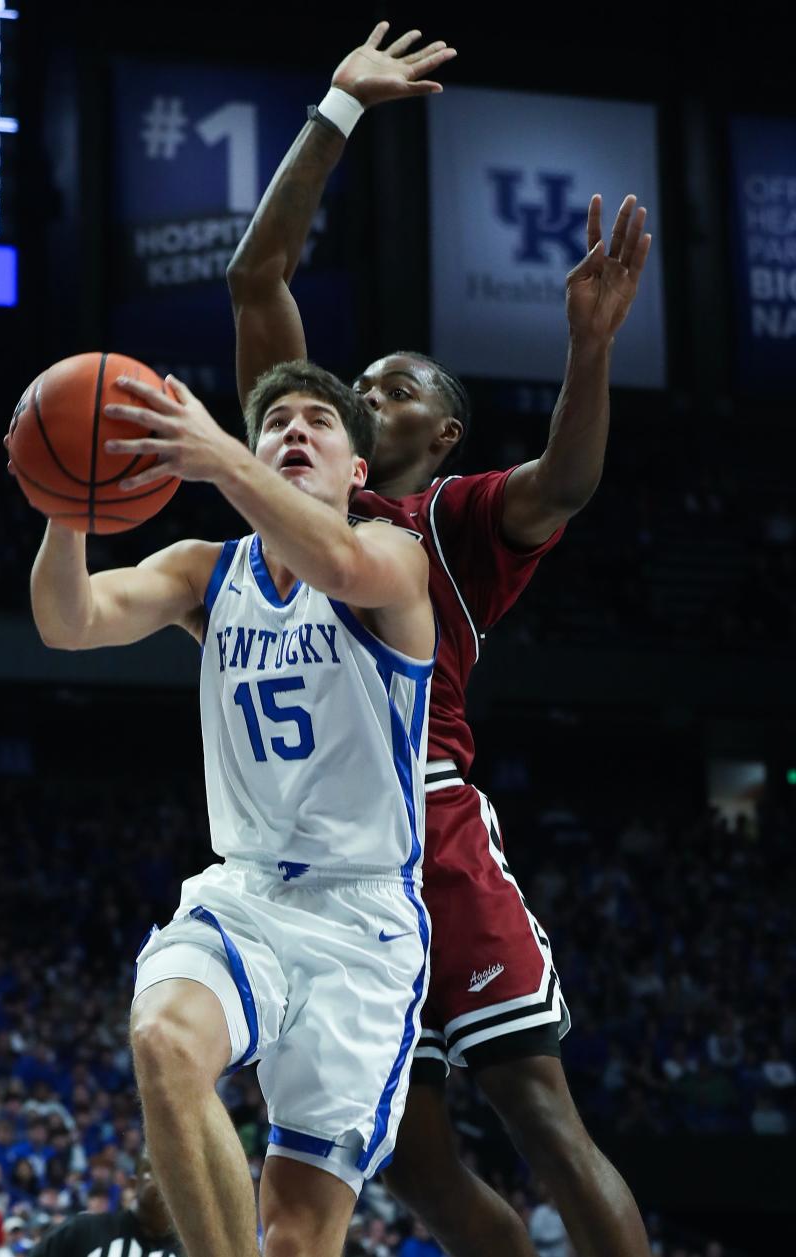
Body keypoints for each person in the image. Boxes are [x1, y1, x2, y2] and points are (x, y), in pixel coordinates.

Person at [225, 21, 654, 1257]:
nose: (369, 387)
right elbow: (259, 281)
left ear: (445, 433)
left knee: (539, 1111)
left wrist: (588, 347)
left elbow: (565, 484)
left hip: (426, 823)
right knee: (413, 1168)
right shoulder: (299, 486)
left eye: (402, 382)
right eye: (362, 375)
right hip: (315, 858)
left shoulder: (451, 521)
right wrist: (337, 112)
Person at [20, 361, 435, 1257]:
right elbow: (70, 619)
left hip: (363, 923)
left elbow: (339, 559)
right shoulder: (208, 573)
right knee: (163, 1038)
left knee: (295, 1238)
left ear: (358, 470)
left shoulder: (393, 560)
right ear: (251, 447)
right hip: (243, 892)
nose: (295, 431)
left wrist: (215, 458)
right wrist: (67, 504)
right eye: (275, 419)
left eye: (320, 421)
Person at [25, 1160, 180, 1257]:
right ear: (134, 1184)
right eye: (159, 1171)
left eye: (178, 1175)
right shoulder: (82, 1230)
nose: (170, 1183)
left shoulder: (194, 1249)